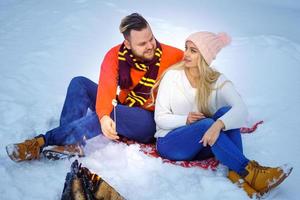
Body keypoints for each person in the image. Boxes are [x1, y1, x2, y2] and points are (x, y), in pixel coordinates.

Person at [6, 13, 183, 162]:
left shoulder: (173, 55)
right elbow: (107, 88)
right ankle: (72, 144)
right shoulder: (116, 56)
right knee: (79, 83)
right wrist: (104, 115)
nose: (150, 45)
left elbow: (201, 72)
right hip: (125, 106)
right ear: (127, 44)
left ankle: (42, 141)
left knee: (113, 113)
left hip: (149, 120)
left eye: (151, 39)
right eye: (142, 44)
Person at [152, 31, 292, 198]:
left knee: (225, 113)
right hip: (170, 143)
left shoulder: (215, 79)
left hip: (202, 144)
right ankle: (251, 172)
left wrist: (219, 124)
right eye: (186, 48)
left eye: (193, 50)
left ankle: (238, 175)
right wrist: (186, 119)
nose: (186, 54)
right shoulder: (172, 76)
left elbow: (241, 109)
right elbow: (159, 118)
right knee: (206, 124)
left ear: (205, 56)